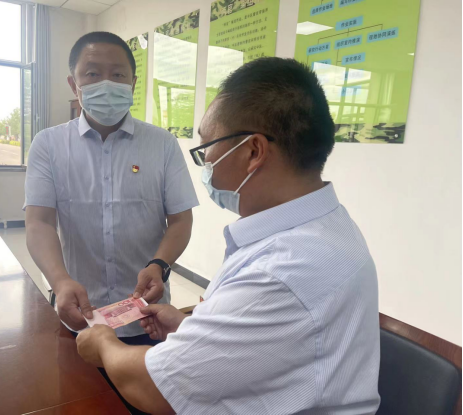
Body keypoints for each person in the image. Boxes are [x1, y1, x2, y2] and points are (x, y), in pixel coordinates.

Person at [76, 57, 381, 415]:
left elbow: (154, 389)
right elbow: (273, 341)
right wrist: (192, 329)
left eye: (207, 147)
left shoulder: (282, 269)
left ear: (253, 151)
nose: (205, 162)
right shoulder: (326, 225)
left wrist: (104, 343)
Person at [24, 32, 199, 344]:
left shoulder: (162, 144)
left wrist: (159, 265)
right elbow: (39, 222)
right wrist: (60, 282)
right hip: (80, 315)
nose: (106, 83)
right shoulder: (48, 145)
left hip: (149, 318)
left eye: (118, 75)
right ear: (73, 84)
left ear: (132, 83)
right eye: (92, 74)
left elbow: (181, 220)